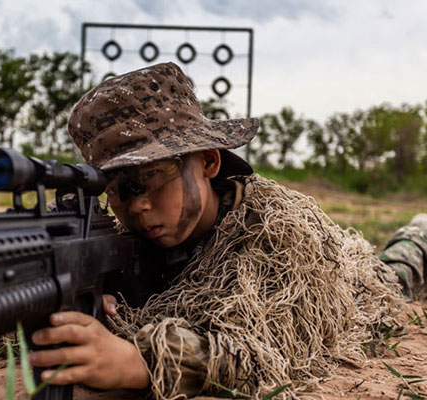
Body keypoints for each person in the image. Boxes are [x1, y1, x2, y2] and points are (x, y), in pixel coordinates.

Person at [29, 62, 423, 399]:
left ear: (208, 162)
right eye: (118, 190)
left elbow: (264, 351)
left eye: (153, 176)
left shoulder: (276, 232)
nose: (138, 205)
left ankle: (418, 232)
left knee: (399, 267)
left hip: (353, 285)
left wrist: (141, 362)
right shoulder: (119, 237)